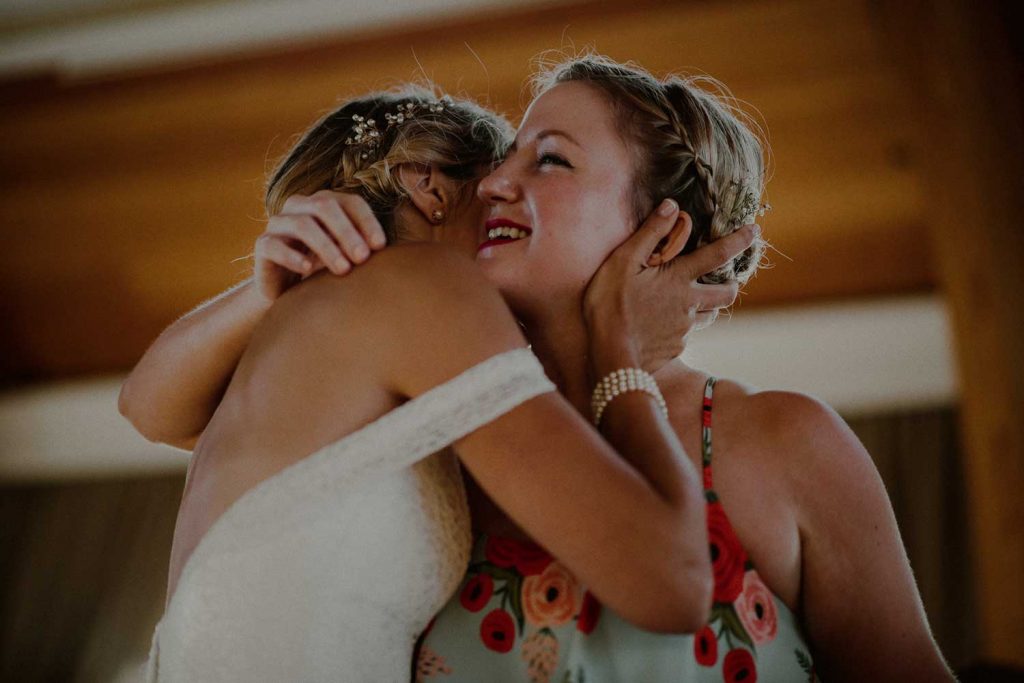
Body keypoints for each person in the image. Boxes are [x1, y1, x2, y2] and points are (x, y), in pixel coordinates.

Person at [128, 85, 754, 682]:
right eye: (495, 175)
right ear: (427, 184)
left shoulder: (339, 342)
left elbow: (148, 410)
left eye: (546, 164)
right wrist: (623, 352)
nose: (504, 192)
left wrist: (265, 296)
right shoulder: (424, 287)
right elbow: (671, 585)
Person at [414, 56, 955, 682]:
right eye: (508, 156)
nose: (491, 185)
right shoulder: (441, 445)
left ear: (662, 232)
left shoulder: (787, 441)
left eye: (550, 159)